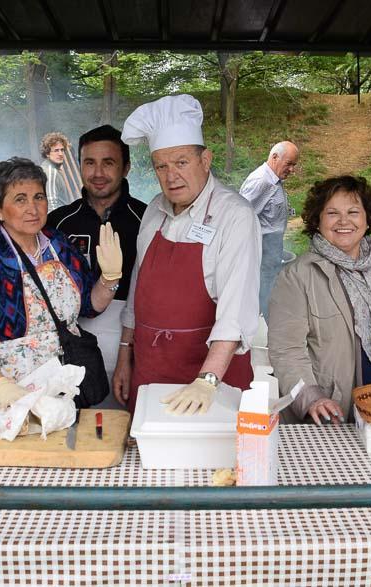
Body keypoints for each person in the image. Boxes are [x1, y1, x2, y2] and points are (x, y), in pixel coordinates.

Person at [116, 94, 261, 416]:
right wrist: (125, 354)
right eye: (161, 166)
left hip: (212, 375)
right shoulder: (154, 209)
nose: (171, 176)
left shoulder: (234, 215)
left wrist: (207, 380)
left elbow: (235, 311)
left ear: (205, 160)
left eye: (181, 162)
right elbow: (137, 291)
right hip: (151, 369)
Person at [0, 157, 123, 409]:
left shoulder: (59, 245)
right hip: (14, 394)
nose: (33, 208)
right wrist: (0, 387)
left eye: (38, 197)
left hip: (67, 388)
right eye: (20, 199)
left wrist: (109, 279)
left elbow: (89, 307)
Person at [268, 175, 371, 425]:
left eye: (353, 211)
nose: (344, 221)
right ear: (317, 220)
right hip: (332, 415)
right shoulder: (297, 276)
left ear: (366, 219)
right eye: (332, 213)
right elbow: (286, 351)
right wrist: (311, 398)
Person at [46, 125, 147, 400]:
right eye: (89, 163)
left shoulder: (147, 220)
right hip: (70, 341)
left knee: (123, 428)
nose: (98, 173)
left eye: (108, 163)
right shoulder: (58, 222)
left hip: (131, 339)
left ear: (126, 167)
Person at [239, 141, 300, 318]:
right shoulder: (262, 182)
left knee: (270, 297)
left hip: (271, 251)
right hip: (261, 253)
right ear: (274, 157)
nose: (292, 169)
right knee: (265, 298)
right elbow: (241, 219)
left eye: (294, 165)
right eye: (289, 164)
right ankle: (264, 335)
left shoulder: (274, 180)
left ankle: (268, 333)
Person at [39, 132, 75, 210]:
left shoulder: (52, 169)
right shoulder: (50, 172)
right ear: (47, 153)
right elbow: (51, 204)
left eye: (62, 150)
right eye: (56, 150)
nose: (60, 154)